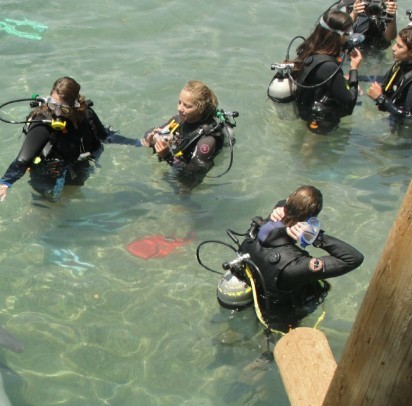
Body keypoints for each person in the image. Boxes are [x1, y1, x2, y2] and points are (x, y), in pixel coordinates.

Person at [234, 185, 364, 331]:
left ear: (287, 203)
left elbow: (288, 205)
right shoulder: (294, 265)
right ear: (310, 221)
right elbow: (353, 258)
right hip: (280, 319)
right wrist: (315, 237)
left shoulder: (255, 231)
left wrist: (281, 207)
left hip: (254, 296)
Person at [0, 77, 109, 203]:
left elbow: (105, 136)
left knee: (69, 199)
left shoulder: (86, 113)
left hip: (77, 165)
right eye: (53, 104)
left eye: (64, 108)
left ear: (75, 105)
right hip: (46, 173)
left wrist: (122, 142)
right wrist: (4, 184)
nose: (57, 112)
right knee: (44, 207)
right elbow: (23, 159)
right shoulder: (42, 122)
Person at [141, 80, 227, 191]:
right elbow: (149, 133)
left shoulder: (207, 140)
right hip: (178, 159)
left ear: (201, 109)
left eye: (187, 106)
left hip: (189, 174)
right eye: (179, 102)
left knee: (181, 192)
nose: (180, 108)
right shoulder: (179, 119)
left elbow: (192, 175)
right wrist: (152, 140)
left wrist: (167, 156)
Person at [292, 9, 363, 134]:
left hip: (305, 108)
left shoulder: (308, 50)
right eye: (347, 34)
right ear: (338, 36)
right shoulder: (329, 67)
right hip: (319, 120)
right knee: (309, 145)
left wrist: (340, 80)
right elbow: (349, 104)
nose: (349, 38)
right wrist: (354, 69)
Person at [367, 25, 412, 126]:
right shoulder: (400, 64)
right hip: (393, 115)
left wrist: (380, 98)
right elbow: (384, 85)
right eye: (395, 44)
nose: (393, 48)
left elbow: (408, 116)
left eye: (399, 46)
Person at [330, 0, 398, 50]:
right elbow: (334, 39)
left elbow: (389, 38)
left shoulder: (383, 6)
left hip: (375, 52)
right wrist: (354, 14)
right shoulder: (345, 6)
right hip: (349, 50)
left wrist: (391, 16)